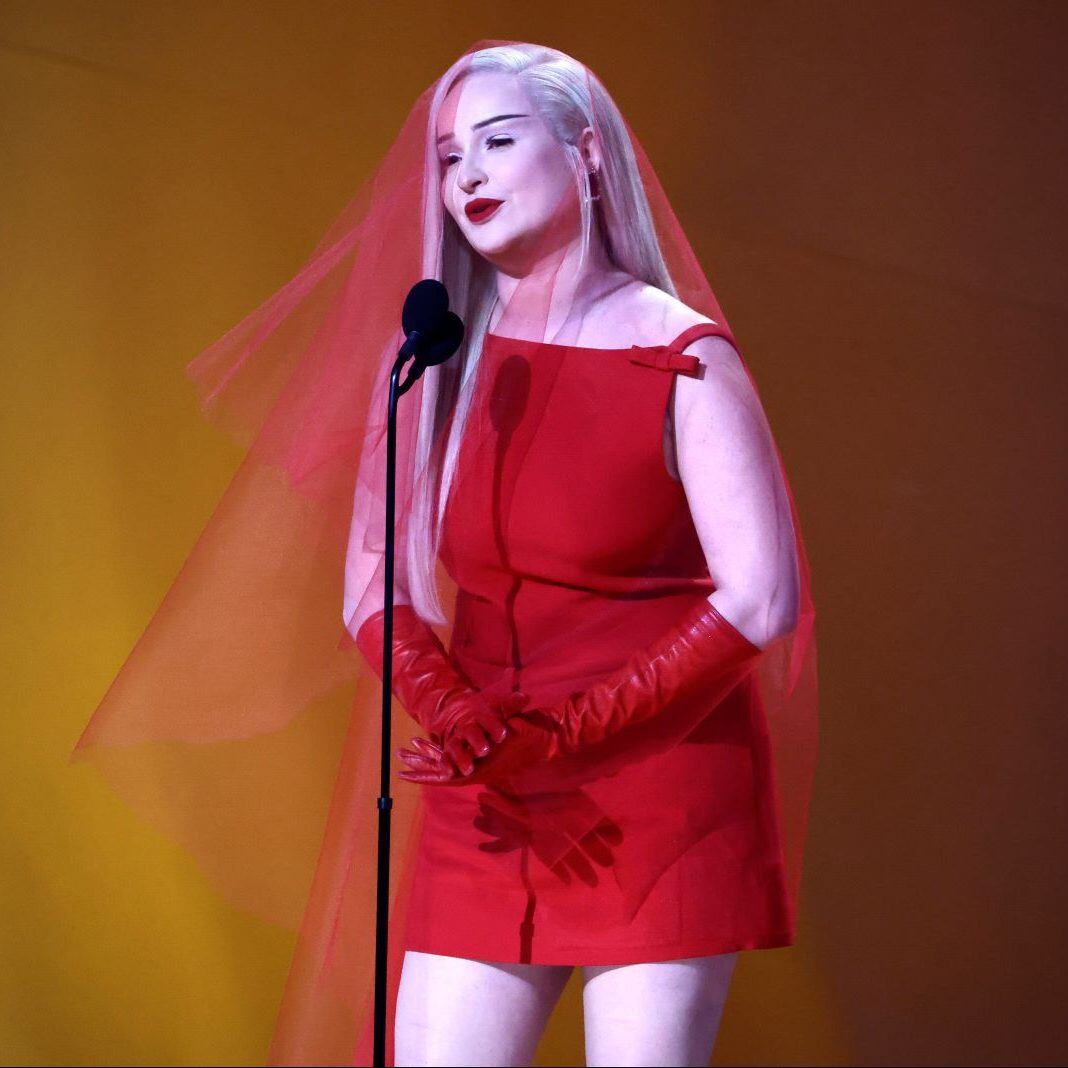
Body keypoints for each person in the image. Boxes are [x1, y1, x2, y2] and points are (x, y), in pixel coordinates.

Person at [72, 40, 818, 1068]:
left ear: (588, 153)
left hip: (656, 789)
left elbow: (761, 595)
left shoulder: (682, 355)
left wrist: (572, 730)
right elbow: (374, 583)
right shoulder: (430, 355)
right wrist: (459, 714)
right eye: (448, 155)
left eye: (498, 142)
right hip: (496, 790)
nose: (465, 173)